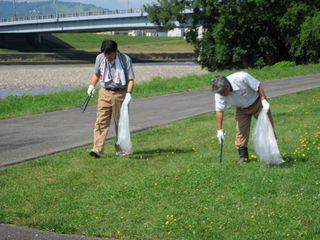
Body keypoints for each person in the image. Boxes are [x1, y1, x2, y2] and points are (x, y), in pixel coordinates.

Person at [212, 71, 274, 164]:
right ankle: (243, 157)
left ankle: (272, 154)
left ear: (228, 86)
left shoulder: (241, 77)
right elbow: (219, 110)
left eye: (224, 93)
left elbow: (258, 86)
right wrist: (219, 130)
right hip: (241, 109)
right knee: (240, 131)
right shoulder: (219, 93)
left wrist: (263, 99)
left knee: (268, 127)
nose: (222, 95)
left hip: (257, 103)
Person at [87, 39, 134, 158]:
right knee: (101, 121)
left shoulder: (125, 59)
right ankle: (97, 149)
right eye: (105, 53)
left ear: (115, 51)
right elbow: (96, 74)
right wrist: (91, 86)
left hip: (120, 94)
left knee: (120, 123)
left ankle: (121, 149)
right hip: (104, 93)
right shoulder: (100, 58)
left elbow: (131, 80)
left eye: (109, 54)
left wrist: (128, 93)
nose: (107, 56)